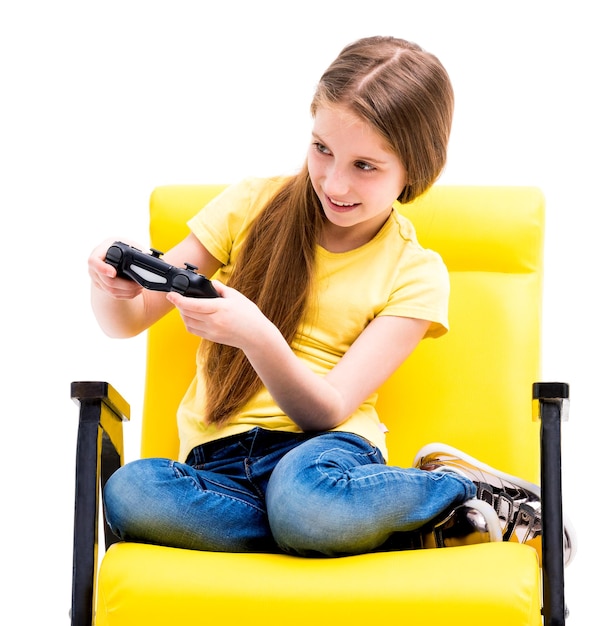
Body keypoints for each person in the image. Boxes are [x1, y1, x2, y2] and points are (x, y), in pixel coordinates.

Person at [88, 35, 573, 563]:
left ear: (417, 169)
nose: (334, 182)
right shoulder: (251, 204)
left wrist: (254, 334)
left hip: (326, 457)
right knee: (130, 491)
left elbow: (327, 411)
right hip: (217, 467)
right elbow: (128, 321)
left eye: (365, 166)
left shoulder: (416, 273)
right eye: (322, 149)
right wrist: (110, 288)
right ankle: (345, 531)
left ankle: (464, 489)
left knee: (305, 501)